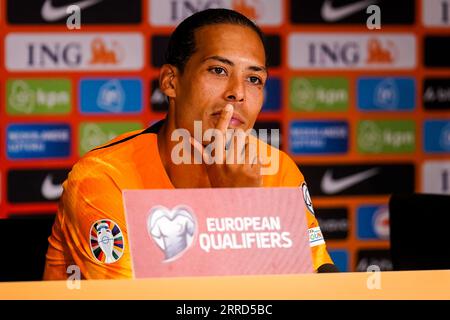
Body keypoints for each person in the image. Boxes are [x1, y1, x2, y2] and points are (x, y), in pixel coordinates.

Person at [43, 8, 337, 280]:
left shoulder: (278, 169)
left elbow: (319, 281)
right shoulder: (104, 177)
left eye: (254, 79)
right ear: (171, 82)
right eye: (219, 70)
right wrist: (232, 208)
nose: (238, 93)